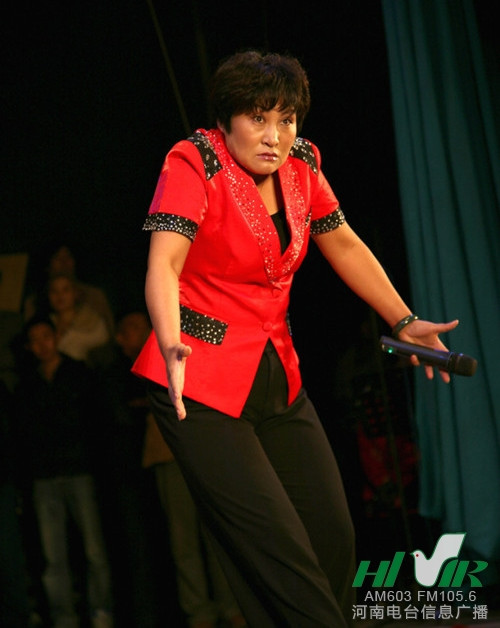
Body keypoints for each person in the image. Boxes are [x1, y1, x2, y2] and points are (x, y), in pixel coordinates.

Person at [131, 50, 459, 627]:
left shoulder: (302, 164)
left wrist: (403, 320)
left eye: (286, 119)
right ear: (226, 120)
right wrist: (168, 336)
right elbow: (164, 264)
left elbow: (343, 242)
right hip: (197, 379)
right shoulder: (194, 161)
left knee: (331, 534)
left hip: (277, 375)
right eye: (258, 118)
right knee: (278, 552)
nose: (275, 136)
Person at [15, 316, 114, 628]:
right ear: (29, 346)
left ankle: (101, 611)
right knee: (53, 555)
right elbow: (24, 434)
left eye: (46, 336)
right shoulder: (27, 384)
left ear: (56, 336)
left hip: (79, 470)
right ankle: (63, 617)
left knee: (93, 548)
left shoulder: (78, 373)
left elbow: (95, 422)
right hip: (44, 476)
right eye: (35, 340)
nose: (42, 344)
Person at [47, 272, 110, 363]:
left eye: (65, 290)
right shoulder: (46, 324)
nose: (59, 295)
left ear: (75, 293)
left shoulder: (93, 322)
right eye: (54, 291)